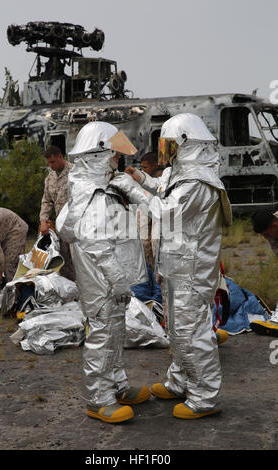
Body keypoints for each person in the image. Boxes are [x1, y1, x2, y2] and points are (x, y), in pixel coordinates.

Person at [109, 113, 232, 419]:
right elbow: (163, 188)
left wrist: (131, 189)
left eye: (170, 147)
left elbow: (165, 211)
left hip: (192, 271)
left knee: (193, 333)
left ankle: (205, 398)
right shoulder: (184, 175)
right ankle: (180, 382)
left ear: (187, 145)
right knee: (176, 330)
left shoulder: (199, 182)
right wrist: (143, 180)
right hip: (177, 267)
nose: (167, 155)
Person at [56, 121, 151, 424]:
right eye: (114, 155)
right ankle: (98, 399)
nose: (118, 160)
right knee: (102, 335)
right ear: (98, 155)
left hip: (111, 281)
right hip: (103, 282)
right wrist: (119, 280)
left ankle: (117, 385)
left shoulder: (100, 190)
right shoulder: (93, 196)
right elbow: (99, 245)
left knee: (116, 332)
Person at [40, 145, 75, 281]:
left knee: (80, 262)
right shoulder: (50, 178)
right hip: (60, 227)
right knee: (64, 263)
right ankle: (71, 293)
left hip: (76, 227)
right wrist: (43, 221)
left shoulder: (75, 172)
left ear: (61, 156)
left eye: (53, 162)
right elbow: (47, 201)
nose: (51, 165)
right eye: (48, 163)